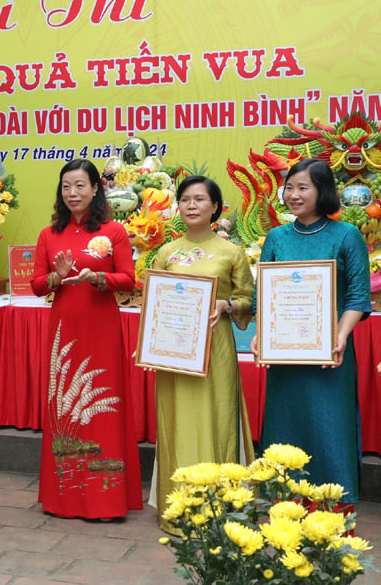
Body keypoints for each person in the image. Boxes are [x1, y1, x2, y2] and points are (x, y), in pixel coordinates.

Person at [252, 158, 371, 503]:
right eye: (289, 187)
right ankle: (281, 498)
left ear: (323, 190)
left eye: (303, 187)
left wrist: (340, 335)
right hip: (285, 353)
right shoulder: (276, 237)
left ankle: (333, 501)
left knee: (329, 425)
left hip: (328, 352)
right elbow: (264, 296)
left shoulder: (347, 235)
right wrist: (262, 332)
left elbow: (358, 296)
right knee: (286, 423)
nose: (293, 194)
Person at [30, 158, 142, 519]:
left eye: (80, 185)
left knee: (103, 410)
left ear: (96, 189)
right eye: (66, 186)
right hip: (64, 331)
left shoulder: (113, 231)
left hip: (102, 330)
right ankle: (65, 497)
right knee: (66, 408)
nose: (72, 193)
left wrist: (97, 278)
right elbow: (35, 286)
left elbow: (129, 279)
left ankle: (105, 499)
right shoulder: (49, 234)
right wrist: (55, 278)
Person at [150, 176, 255, 534]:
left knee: (215, 418)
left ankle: (219, 507)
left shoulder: (231, 253)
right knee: (176, 421)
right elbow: (155, 304)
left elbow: (249, 301)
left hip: (216, 349)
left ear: (215, 207)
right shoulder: (166, 252)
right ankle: (178, 504)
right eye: (184, 199)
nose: (191, 205)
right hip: (174, 353)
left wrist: (228, 304)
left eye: (199, 199)